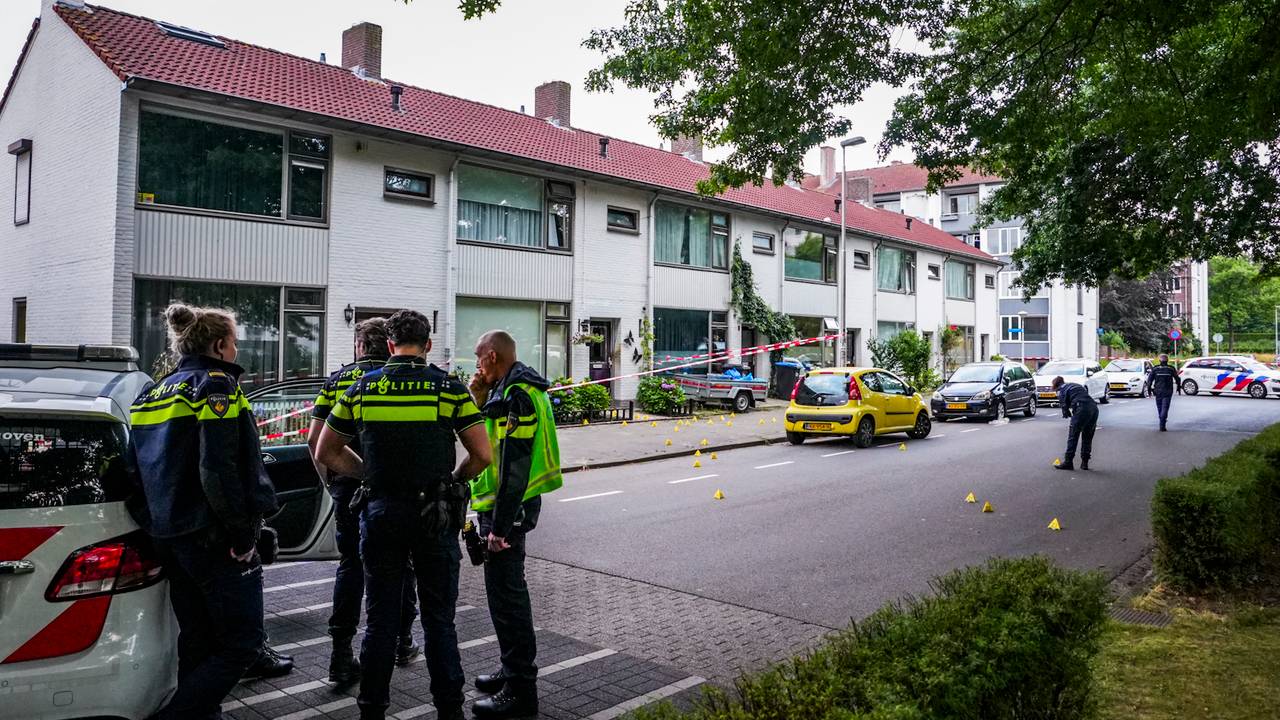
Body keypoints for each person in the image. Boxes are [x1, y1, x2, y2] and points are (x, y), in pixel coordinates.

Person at [315, 310, 492, 720]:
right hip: (434, 516)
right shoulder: (447, 389)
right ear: (428, 345)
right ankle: (450, 710)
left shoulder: (360, 389)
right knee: (438, 622)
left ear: (390, 345)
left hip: (380, 515)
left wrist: (369, 474)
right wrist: (453, 478)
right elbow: (482, 454)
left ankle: (372, 708)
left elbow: (325, 450)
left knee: (379, 621)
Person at [126, 303, 280, 719]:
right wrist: (242, 534)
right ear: (218, 345)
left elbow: (132, 474)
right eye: (233, 343)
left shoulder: (151, 392)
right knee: (243, 644)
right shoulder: (217, 387)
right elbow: (218, 470)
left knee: (197, 639)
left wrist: (157, 524)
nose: (235, 350)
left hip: (170, 538)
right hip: (214, 538)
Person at [308, 317, 420, 685]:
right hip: (395, 489)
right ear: (388, 344)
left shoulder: (337, 381)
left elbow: (315, 441)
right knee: (401, 565)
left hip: (347, 487)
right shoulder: (401, 379)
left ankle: (341, 655)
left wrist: (333, 481)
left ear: (358, 346)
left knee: (351, 566)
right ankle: (403, 641)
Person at [467, 330, 564, 719]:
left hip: (511, 510)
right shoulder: (507, 389)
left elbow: (515, 464)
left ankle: (521, 690)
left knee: (509, 602)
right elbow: (488, 430)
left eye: (478, 358)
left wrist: (500, 528)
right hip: (505, 508)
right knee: (502, 597)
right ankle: (511, 670)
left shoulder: (518, 395)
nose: (475, 365)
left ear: (492, 356)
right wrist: (477, 397)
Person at [1052, 375, 1098, 471]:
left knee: (1073, 436)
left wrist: (1067, 412)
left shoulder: (1061, 390)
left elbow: (1065, 410)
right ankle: (1085, 463)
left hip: (1081, 409)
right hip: (1094, 408)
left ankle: (1068, 462)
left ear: (1056, 385)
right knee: (1087, 436)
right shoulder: (1075, 385)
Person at [1144, 354, 1182, 431]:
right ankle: (1162, 422)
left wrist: (1149, 390)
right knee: (1165, 407)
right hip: (1168, 391)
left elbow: (1149, 380)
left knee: (1159, 406)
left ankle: (1162, 420)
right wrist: (1178, 388)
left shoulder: (1155, 369)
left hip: (1158, 391)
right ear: (1167, 361)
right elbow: (1178, 379)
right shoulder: (1171, 368)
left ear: (1159, 361)